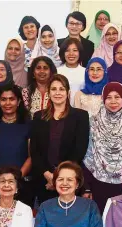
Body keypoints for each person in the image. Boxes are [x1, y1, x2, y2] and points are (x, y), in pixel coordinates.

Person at [82, 82, 122, 213]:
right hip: (99, 183)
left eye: (117, 97)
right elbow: (88, 154)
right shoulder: (93, 122)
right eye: (108, 97)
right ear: (103, 99)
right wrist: (87, 187)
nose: (113, 101)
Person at [30, 74, 90, 204]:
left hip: (70, 180)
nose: (58, 93)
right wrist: (48, 175)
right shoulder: (38, 117)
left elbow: (79, 150)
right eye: (54, 89)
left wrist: (59, 178)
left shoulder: (81, 116)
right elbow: (34, 150)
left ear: (68, 92)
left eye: (61, 89)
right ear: (48, 92)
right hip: (44, 180)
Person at [0, 85, 33, 206]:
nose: (8, 103)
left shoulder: (28, 123)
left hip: (22, 181)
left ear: (19, 101)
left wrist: (16, 178)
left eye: (12, 99)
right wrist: (1, 179)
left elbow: (32, 156)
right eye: (3, 99)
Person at [57, 38, 85, 104]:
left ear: (80, 53)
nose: (71, 54)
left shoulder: (85, 72)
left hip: (81, 109)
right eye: (67, 50)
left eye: (75, 50)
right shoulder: (57, 71)